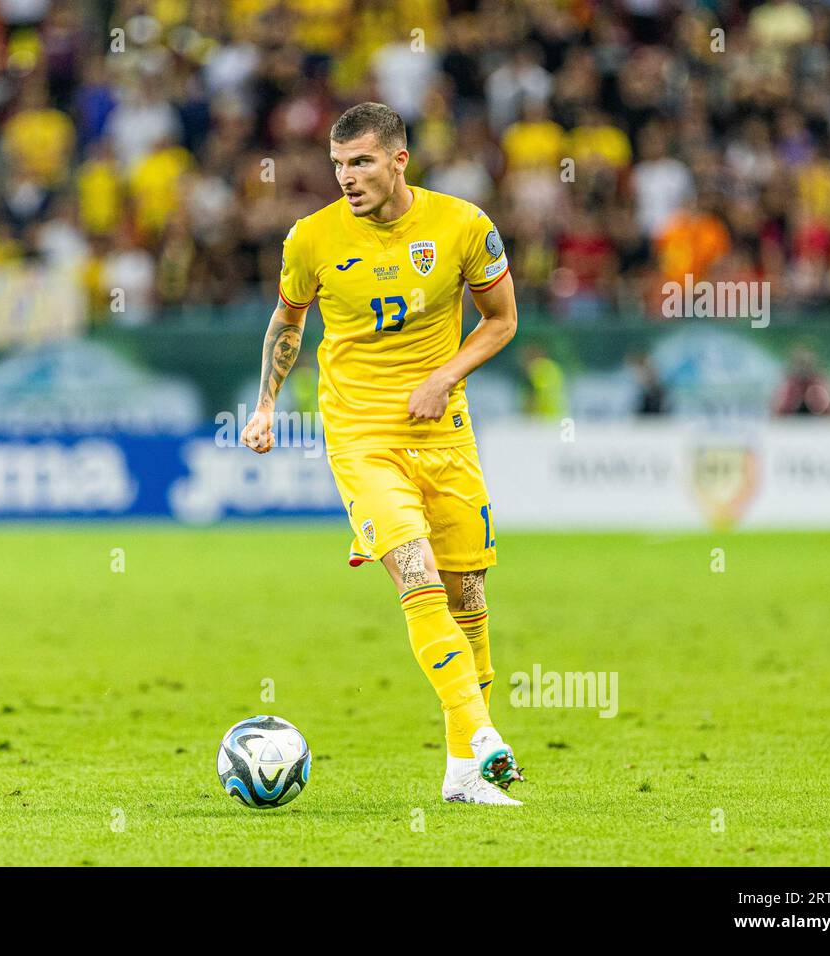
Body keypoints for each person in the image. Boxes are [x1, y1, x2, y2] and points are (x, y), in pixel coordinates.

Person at [240, 103, 524, 806]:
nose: (347, 178)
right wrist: (267, 404)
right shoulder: (311, 238)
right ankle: (483, 734)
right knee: (416, 572)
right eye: (338, 165)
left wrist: (443, 377)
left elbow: (503, 320)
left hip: (445, 434)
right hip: (361, 436)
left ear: (399, 160)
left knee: (468, 597)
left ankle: (463, 773)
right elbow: (288, 319)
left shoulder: (463, 225)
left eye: (361, 162)